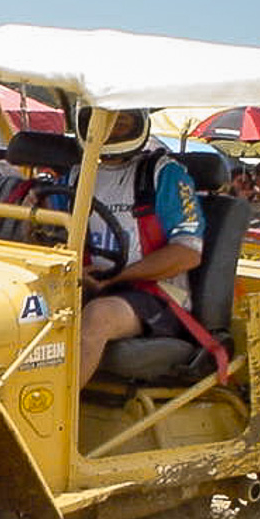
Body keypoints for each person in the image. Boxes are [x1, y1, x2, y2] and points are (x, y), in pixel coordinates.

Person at [76, 109, 204, 387]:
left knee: (98, 316)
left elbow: (188, 254)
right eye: (105, 119)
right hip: (90, 284)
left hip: (158, 295)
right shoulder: (77, 176)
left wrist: (116, 277)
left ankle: (57, 413)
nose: (113, 125)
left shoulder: (164, 174)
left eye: (122, 120)